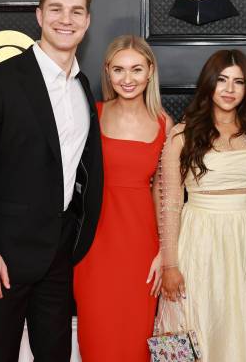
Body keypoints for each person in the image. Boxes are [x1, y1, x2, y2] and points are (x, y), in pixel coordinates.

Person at [0, 0, 103, 361]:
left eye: (76, 11)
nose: (65, 19)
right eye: (55, 9)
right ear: (39, 15)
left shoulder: (82, 87)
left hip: (58, 254)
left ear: (87, 21)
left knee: (54, 354)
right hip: (2, 256)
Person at [159, 50, 246, 361]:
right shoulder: (181, 135)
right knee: (194, 324)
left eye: (238, 82)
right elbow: (170, 205)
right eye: (221, 80)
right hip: (199, 243)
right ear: (208, 83)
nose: (229, 89)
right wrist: (170, 265)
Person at [73, 35, 173, 361]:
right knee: (97, 336)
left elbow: (164, 192)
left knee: (136, 339)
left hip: (141, 248)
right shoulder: (92, 114)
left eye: (136, 70)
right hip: (94, 244)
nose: (127, 79)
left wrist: (164, 252)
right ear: (107, 71)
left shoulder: (164, 123)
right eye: (118, 70)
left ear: (150, 72)